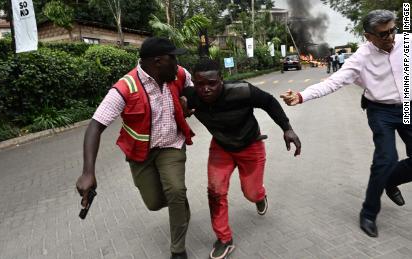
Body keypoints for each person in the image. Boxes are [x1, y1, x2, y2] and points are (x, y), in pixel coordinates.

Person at [280, 10, 410, 238]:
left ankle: (390, 180)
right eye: (383, 34)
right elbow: (333, 82)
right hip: (380, 111)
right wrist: (301, 96)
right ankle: (368, 213)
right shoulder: (360, 58)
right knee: (385, 159)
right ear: (368, 36)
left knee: (391, 169)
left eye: (393, 30)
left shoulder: (406, 43)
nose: (390, 37)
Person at [76, 37, 195, 259]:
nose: (177, 63)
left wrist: (187, 100)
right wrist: (88, 172)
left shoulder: (178, 73)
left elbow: (191, 88)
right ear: (158, 61)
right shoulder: (125, 87)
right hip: (141, 154)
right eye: (173, 58)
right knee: (154, 203)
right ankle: (178, 202)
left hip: (172, 145)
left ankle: (178, 250)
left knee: (176, 191)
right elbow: (95, 126)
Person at [181, 59, 301, 259]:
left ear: (221, 79)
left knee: (251, 193)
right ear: (194, 82)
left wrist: (287, 128)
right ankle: (224, 239)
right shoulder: (191, 97)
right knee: (215, 191)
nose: (206, 89)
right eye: (200, 84)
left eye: (212, 83)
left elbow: (269, 102)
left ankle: (260, 196)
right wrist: (182, 110)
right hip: (221, 147)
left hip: (250, 145)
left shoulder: (242, 90)